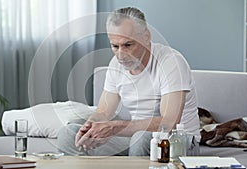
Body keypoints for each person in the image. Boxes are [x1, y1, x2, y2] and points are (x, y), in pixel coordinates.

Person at [56, 7, 200, 156]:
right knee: (68, 134)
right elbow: (104, 112)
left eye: (128, 45)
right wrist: (90, 126)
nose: (121, 55)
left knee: (142, 137)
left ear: (146, 37)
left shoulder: (171, 62)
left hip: (179, 142)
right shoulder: (115, 65)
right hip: (137, 140)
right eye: (115, 46)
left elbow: (168, 124)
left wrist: (114, 127)